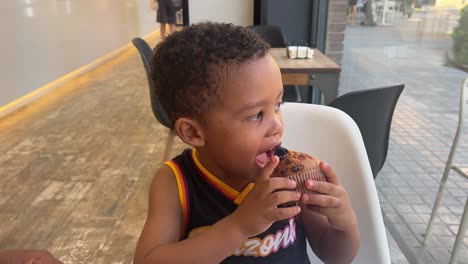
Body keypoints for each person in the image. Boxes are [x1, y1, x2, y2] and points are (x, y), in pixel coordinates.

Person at [133, 22, 360, 264]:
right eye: (256, 115)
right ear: (193, 132)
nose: (278, 126)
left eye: (277, 106)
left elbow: (336, 256)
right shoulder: (174, 182)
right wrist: (240, 226)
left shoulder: (288, 176)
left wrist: (343, 221)